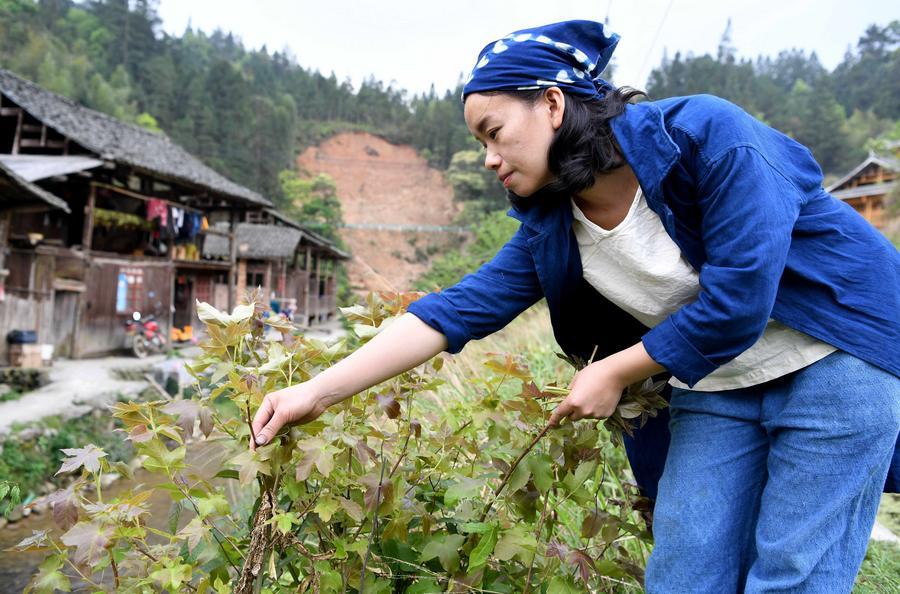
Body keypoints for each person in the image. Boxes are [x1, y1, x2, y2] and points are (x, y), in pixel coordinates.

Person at [251, 20, 900, 592]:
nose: (488, 158)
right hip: (717, 381)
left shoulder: (708, 136)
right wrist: (317, 391)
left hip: (837, 353)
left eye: (495, 132)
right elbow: (452, 312)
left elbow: (739, 299)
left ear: (553, 104)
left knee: (793, 572)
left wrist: (614, 370)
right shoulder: (553, 229)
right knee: (685, 570)